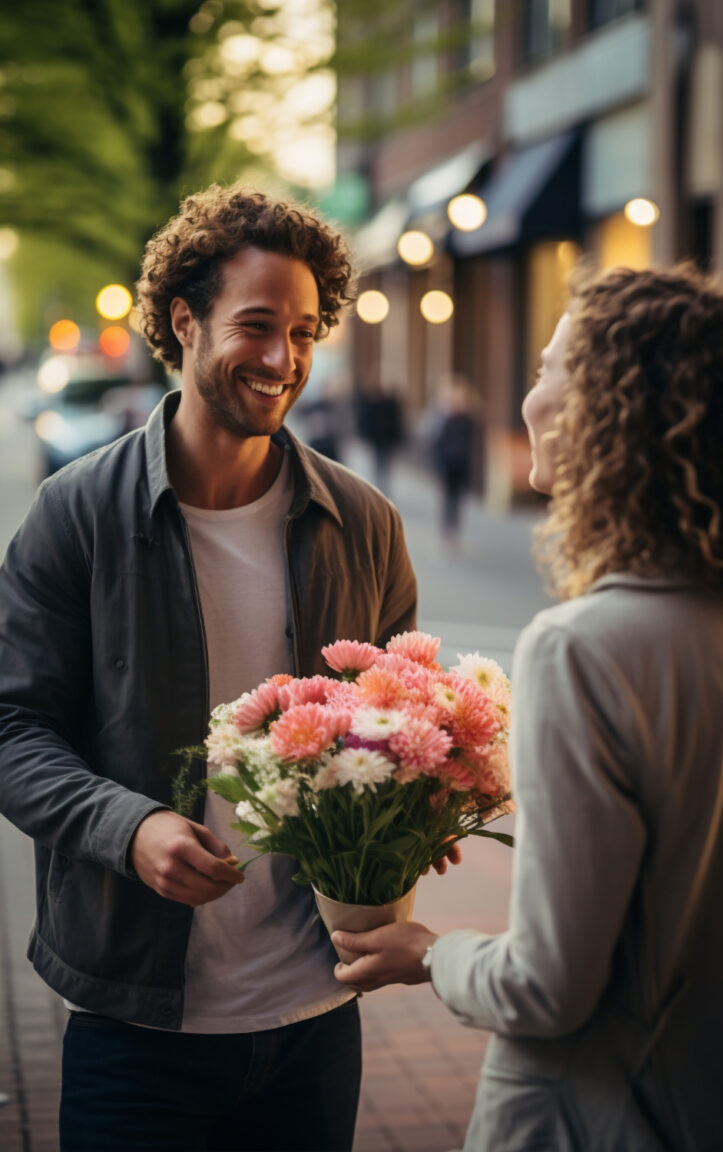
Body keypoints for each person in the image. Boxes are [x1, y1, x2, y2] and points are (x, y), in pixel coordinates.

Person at [0, 184, 419, 1152]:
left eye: (304, 332)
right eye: (257, 326)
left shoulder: (364, 524)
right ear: (183, 322)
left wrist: (416, 815)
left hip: (315, 1018)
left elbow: (401, 721)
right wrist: (128, 826)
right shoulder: (76, 515)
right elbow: (13, 727)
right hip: (135, 1026)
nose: (283, 360)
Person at [333, 264, 723, 1151]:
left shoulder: (583, 649)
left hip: (600, 1113)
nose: (529, 398)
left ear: (608, 412)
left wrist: (430, 954)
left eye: (545, 370)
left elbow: (546, 986)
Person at [429, 374, 476, 549]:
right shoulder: (442, 417)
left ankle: (454, 532)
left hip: (460, 464)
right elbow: (434, 440)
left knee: (456, 500)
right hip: (446, 464)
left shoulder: (466, 419)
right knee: (446, 499)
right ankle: (445, 532)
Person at [355, 378, 404, 495]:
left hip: (385, 438)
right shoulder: (373, 403)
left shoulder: (389, 404)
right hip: (379, 438)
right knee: (379, 462)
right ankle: (379, 486)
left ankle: (381, 486)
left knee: (383, 462)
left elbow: (396, 423)